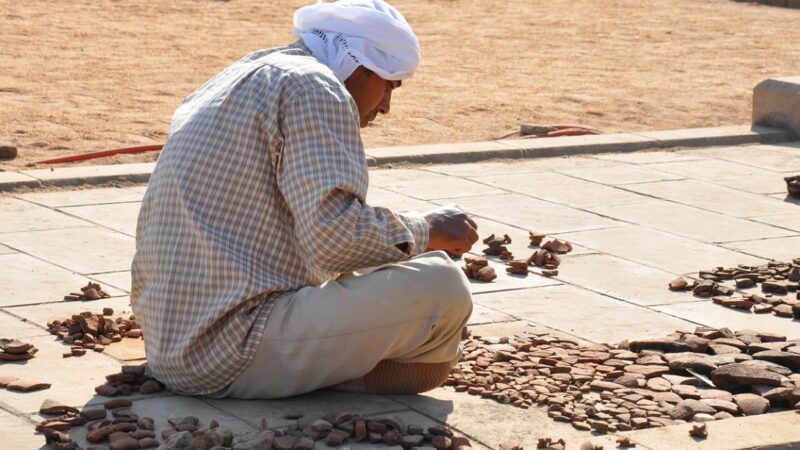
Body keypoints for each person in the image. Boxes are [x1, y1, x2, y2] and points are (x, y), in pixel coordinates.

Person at [131, 0, 478, 399]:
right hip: (227, 350)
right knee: (443, 286)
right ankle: (343, 377)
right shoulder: (316, 87)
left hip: (170, 339)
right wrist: (428, 228)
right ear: (360, 65)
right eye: (389, 85)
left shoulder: (252, 69)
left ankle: (322, 366)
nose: (385, 106)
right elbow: (335, 241)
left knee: (399, 255)